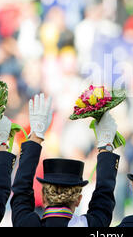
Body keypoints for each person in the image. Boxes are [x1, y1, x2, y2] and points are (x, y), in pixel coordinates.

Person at [11, 93, 120, 227]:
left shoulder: (27, 224)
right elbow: (104, 197)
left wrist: (36, 136)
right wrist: (106, 144)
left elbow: (20, 189)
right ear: (79, 200)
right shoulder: (90, 224)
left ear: (43, 198)